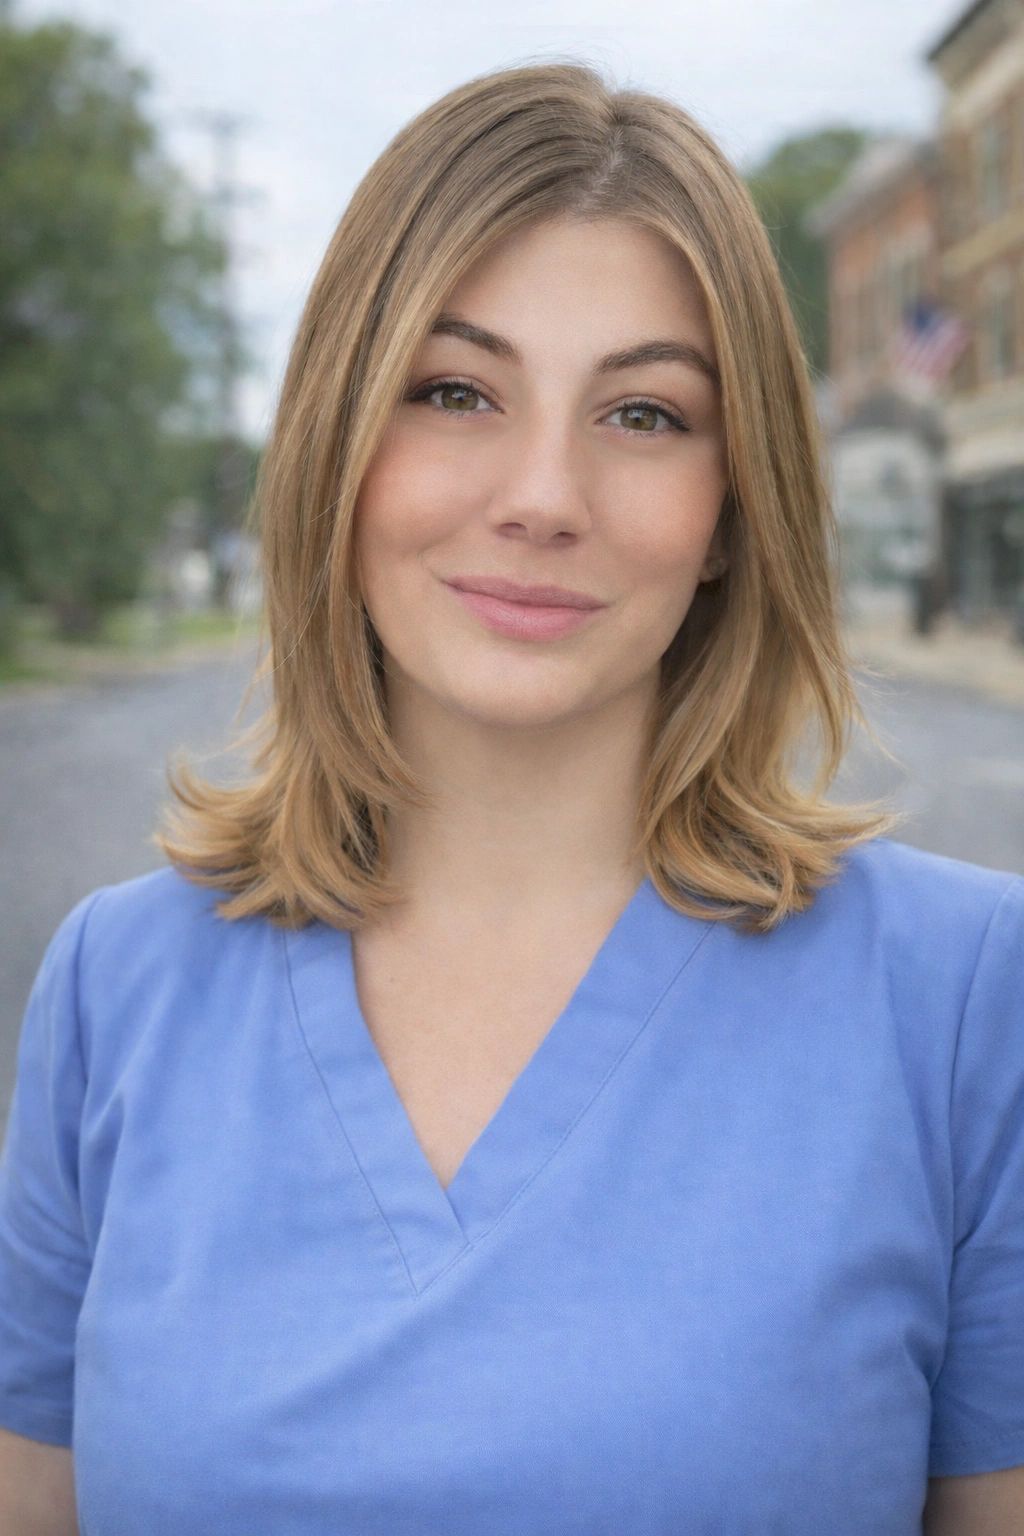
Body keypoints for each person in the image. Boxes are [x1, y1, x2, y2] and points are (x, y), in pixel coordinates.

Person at [0, 58, 1021, 1536]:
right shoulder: (115, 987)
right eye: (455, 391)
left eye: (647, 416)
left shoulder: (963, 1002)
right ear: (339, 445)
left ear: (737, 508)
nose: (544, 494)